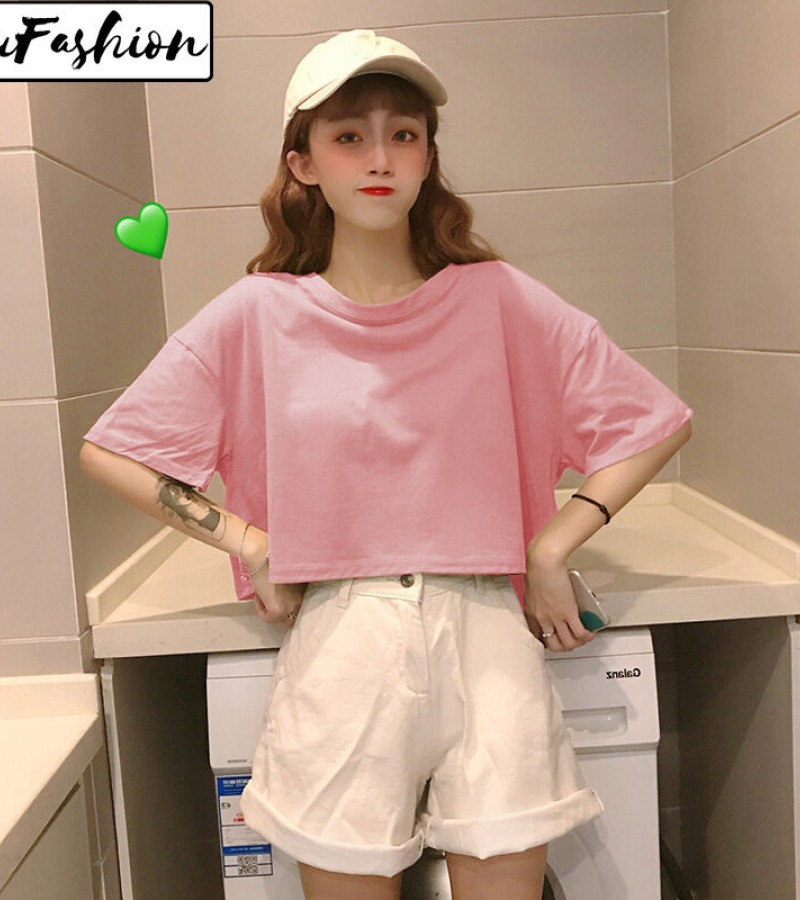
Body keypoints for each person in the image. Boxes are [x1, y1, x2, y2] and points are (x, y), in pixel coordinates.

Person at [80, 28, 692, 900]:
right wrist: (250, 542)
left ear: (427, 158)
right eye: (348, 136)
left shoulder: (496, 297)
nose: (379, 158)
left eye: (403, 134)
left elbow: (654, 421)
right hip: (341, 638)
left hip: (489, 631)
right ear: (302, 163)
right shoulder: (260, 314)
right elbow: (112, 451)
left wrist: (554, 545)